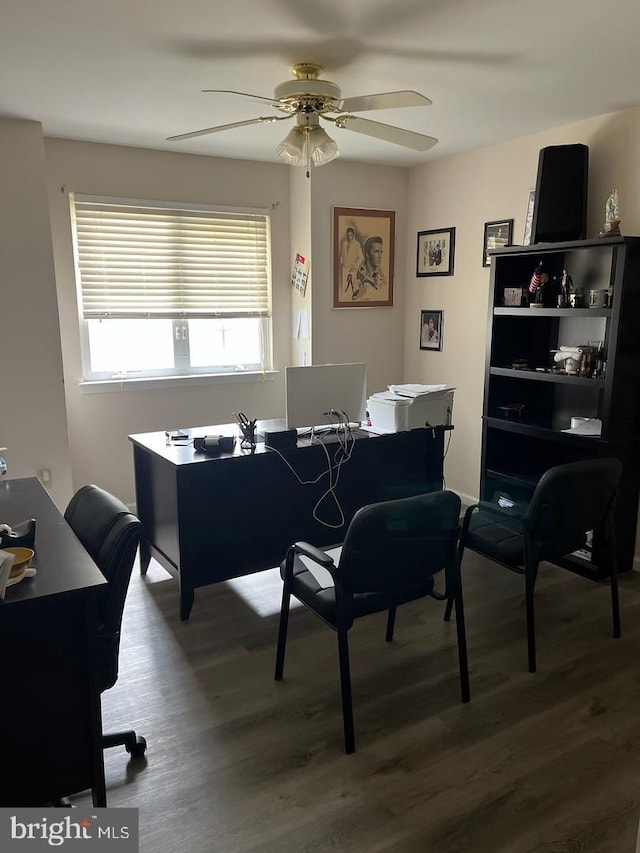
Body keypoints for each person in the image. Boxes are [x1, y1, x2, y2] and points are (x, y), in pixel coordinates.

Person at [354, 235, 386, 299]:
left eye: (381, 252)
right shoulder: (360, 275)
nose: (380, 256)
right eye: (376, 252)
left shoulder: (378, 275)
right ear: (367, 254)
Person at [339, 226, 364, 296]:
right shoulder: (344, 243)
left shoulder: (357, 244)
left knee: (351, 287)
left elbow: (361, 257)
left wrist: (355, 266)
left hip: (352, 269)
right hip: (344, 268)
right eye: (348, 235)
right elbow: (342, 254)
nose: (349, 237)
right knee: (344, 287)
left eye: (351, 235)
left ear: (353, 235)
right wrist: (341, 263)